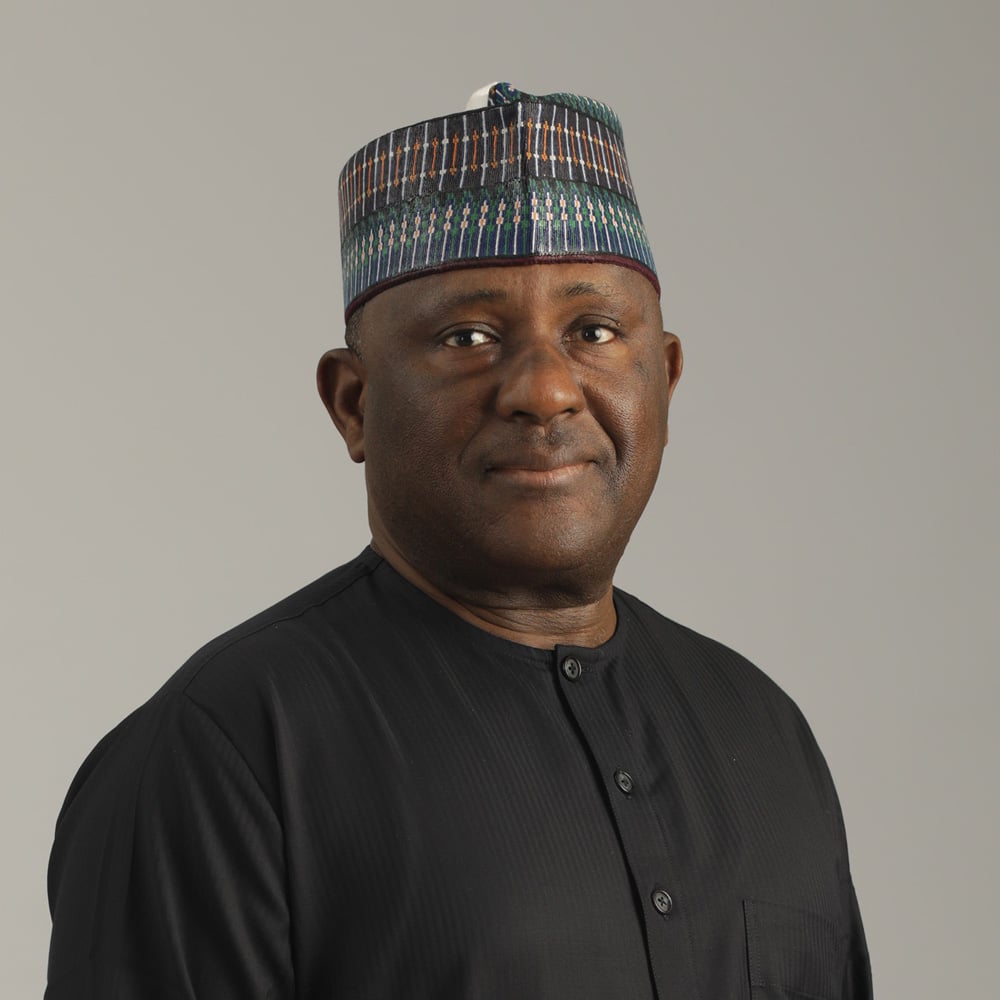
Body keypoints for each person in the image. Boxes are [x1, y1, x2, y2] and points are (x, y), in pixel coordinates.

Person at [46, 82, 872, 999]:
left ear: (665, 380)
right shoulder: (227, 753)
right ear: (353, 403)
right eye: (468, 337)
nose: (546, 390)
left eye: (594, 331)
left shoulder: (763, 731)